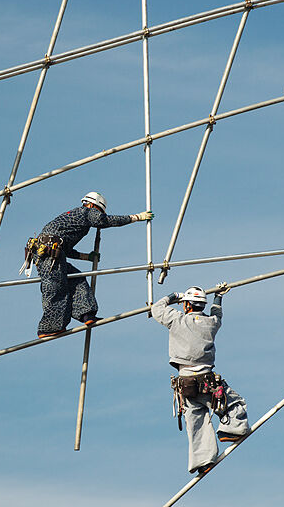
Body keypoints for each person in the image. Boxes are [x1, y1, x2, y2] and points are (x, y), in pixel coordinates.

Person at [151, 284, 250, 475]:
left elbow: (157, 308)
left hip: (185, 383)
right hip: (207, 381)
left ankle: (203, 460)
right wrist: (218, 298)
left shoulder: (177, 319)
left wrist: (174, 295)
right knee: (234, 403)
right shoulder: (210, 323)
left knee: (196, 421)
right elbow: (217, 316)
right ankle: (233, 429)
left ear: (186, 305)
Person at [25, 192, 154, 338]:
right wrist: (135, 218)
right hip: (49, 252)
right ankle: (48, 328)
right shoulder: (85, 211)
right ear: (93, 205)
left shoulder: (72, 218)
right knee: (55, 287)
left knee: (76, 279)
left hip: (53, 251)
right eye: (98, 211)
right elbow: (103, 220)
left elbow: (65, 249)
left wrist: (86, 257)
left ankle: (87, 314)